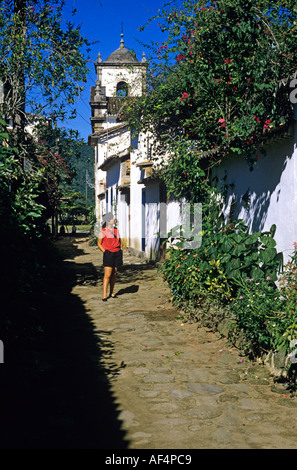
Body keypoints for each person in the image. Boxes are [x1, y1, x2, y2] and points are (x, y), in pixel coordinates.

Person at [97, 212, 123, 301]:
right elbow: (99, 244)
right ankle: (104, 295)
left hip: (117, 253)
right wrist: (105, 252)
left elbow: (120, 240)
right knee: (107, 274)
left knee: (114, 273)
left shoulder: (116, 230)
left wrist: (120, 248)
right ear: (108, 221)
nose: (114, 220)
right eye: (112, 219)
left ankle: (111, 292)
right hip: (108, 254)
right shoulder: (103, 231)